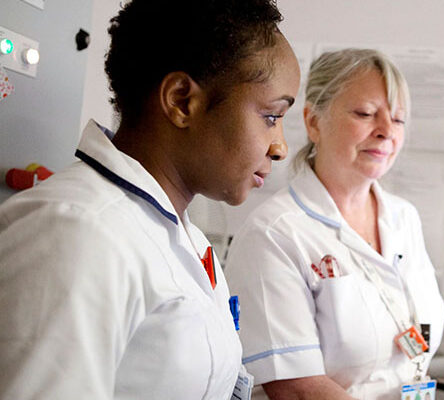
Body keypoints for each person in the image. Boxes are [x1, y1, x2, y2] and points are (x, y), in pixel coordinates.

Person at [0, 0, 300, 398]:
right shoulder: (78, 231)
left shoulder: (184, 238)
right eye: (271, 117)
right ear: (181, 101)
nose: (280, 147)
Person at [225, 48, 444, 400]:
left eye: (399, 119)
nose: (387, 131)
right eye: (366, 114)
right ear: (314, 121)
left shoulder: (404, 218)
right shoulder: (274, 234)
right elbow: (297, 389)